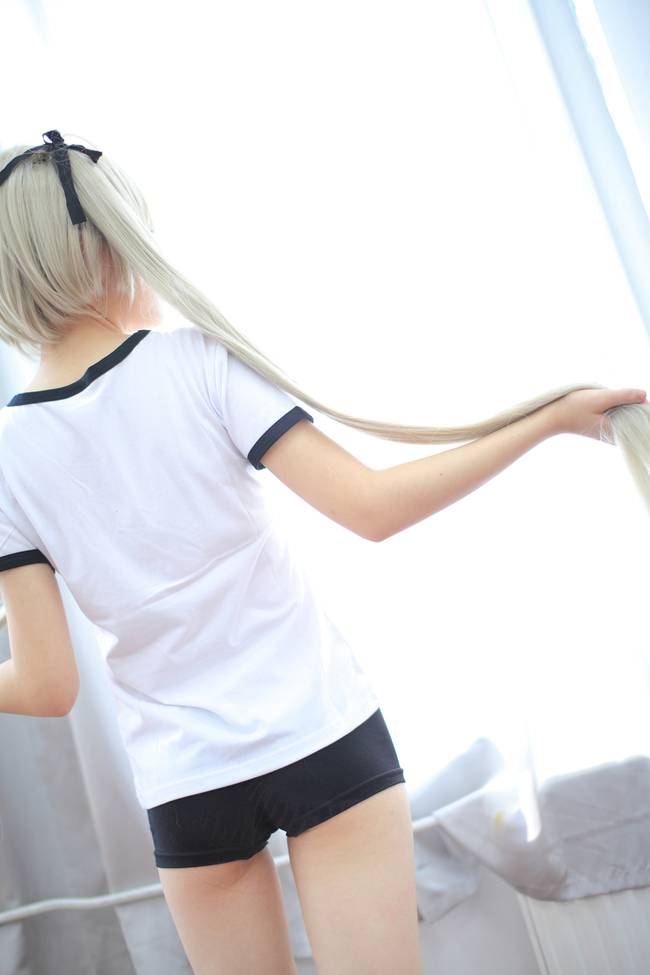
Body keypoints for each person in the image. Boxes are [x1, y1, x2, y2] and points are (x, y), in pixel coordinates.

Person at [0, 130, 645, 975]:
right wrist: (550, 420)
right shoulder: (199, 363)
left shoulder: (9, 453)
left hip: (188, 787)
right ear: (111, 245)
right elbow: (372, 508)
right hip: (320, 736)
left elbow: (47, 685)